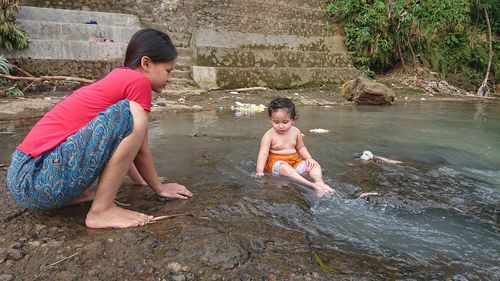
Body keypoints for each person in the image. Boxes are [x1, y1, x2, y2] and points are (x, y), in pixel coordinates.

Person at [6, 28, 193, 229]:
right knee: (134, 113)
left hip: (25, 181)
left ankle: (79, 197)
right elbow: (140, 148)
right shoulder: (138, 82)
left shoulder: (119, 77)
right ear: (146, 63)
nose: (170, 78)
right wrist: (159, 187)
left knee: (128, 117)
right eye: (168, 70)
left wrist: (142, 181)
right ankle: (101, 211)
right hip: (35, 178)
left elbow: (121, 143)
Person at [255, 98, 335, 197]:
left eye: (285, 122)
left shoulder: (296, 131)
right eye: (276, 122)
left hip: (294, 161)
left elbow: (301, 147)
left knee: (314, 164)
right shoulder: (269, 135)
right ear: (270, 120)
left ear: (293, 120)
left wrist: (309, 158)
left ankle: (319, 182)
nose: (280, 126)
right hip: (276, 163)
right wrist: (259, 172)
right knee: (284, 167)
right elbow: (263, 153)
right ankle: (311, 185)